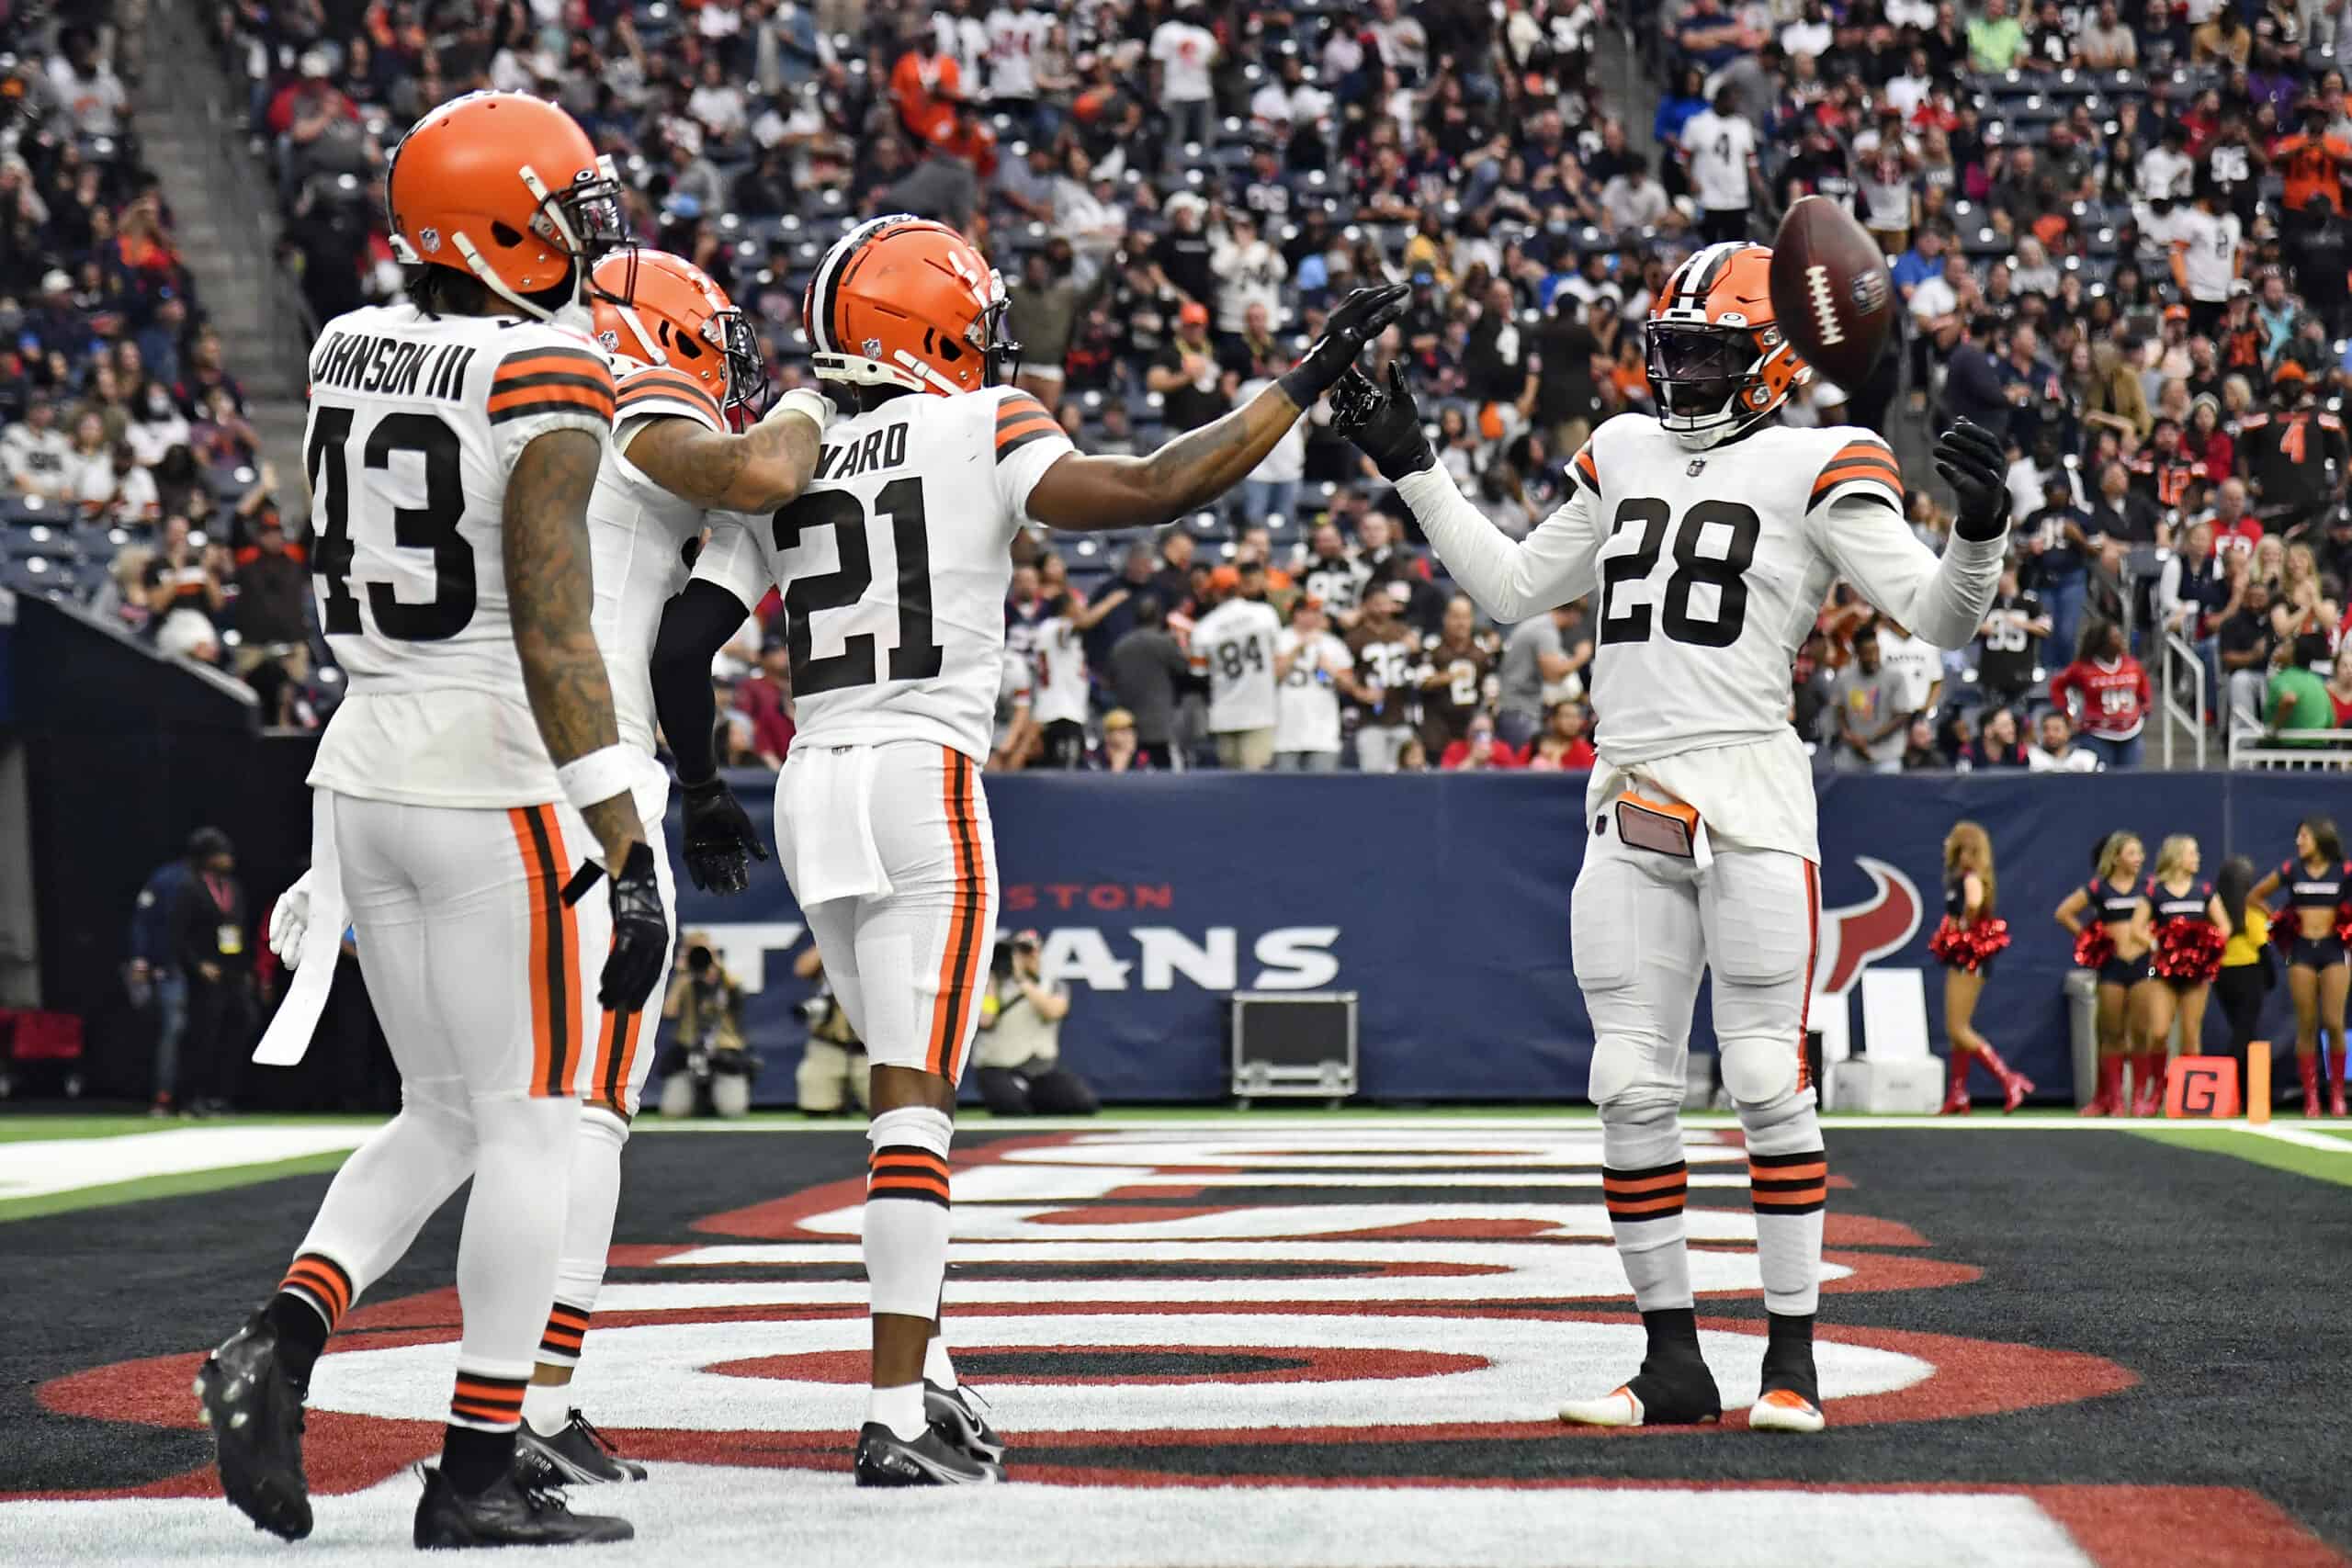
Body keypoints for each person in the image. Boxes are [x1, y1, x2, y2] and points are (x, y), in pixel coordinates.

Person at [648, 211, 1408, 1485]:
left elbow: (681, 648)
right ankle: (893, 1407)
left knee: (898, 1096)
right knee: (916, 1111)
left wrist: (702, 793)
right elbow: (1160, 486)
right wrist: (1301, 384)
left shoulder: (795, 444)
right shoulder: (979, 420)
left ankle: (927, 1372)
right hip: (920, 772)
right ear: (930, 320)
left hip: (807, 777)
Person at [1330, 238, 2012, 1437]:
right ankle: (1671, 1360)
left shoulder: (1821, 459)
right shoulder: (1626, 447)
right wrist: (1414, 467)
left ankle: (1793, 1357)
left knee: (1761, 1073)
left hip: (1749, 789)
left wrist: (1982, 530)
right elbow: (1507, 587)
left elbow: (1937, 613)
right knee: (1627, 1083)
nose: (1686, 377)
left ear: (1769, 364)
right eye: (1675, 352)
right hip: (1630, 787)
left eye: (1711, 356)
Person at [196, 94, 666, 1551]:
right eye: (564, 209)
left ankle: (277, 1339)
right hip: (490, 776)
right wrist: (625, 840)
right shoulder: (546, 364)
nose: (589, 238)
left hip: (361, 765)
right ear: (502, 225)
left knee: (443, 1114)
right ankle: (474, 1468)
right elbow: (553, 627)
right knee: (534, 1123)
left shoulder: (346, 341)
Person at [2250, 818, 2351, 1117]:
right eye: (2298, 836)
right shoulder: (2290, 870)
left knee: (2333, 1022)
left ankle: (2336, 1094)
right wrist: (2279, 920)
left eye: (2304, 836)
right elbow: (2254, 896)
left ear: (2321, 838)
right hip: (2301, 950)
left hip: (2335, 949)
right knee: (2305, 1023)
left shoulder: (2343, 871)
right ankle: (2311, 1098)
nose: (2299, 841)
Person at [2056, 833, 2157, 1117]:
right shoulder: (2098, 888)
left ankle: (2139, 1096)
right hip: (2111, 965)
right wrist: (2089, 939)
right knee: (2112, 1033)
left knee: (2140, 1032)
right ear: (2115, 857)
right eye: (2132, 853)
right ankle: (2114, 1099)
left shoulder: (2148, 888)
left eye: (2140, 853)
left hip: (2144, 965)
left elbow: (2163, 918)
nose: (2139, 858)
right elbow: (2063, 913)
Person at [1929, 822, 2029, 1113]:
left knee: (1958, 1028)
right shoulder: (1963, 876)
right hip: (1964, 956)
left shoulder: (1970, 878)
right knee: (1956, 1029)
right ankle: (1957, 1093)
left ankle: (2009, 1079)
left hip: (1968, 956)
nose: (1948, 846)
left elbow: (1974, 902)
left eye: (1955, 845)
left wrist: (1962, 924)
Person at [168, 828, 253, 1116]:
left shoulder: (233, 888)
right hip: (205, 974)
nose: (227, 858)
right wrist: (198, 965)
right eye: (220, 853)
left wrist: (244, 967)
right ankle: (192, 1096)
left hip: (232, 970)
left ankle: (221, 1094)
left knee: (240, 1023)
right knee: (204, 1034)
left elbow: (238, 930)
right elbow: (178, 935)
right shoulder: (189, 888)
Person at [2140, 835, 2228, 1112]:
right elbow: (2136, 928)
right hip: (2162, 970)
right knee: (2158, 1031)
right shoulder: (2155, 892)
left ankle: (2191, 1097)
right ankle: (2157, 1088)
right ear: (2177, 857)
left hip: (2196, 972)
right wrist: (2157, 945)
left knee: (2191, 1033)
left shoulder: (2204, 890)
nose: (2197, 858)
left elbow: (2224, 926)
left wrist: (2205, 947)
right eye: (2193, 853)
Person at [974, 931, 1098, 1115]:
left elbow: (1053, 1011)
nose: (1023, 957)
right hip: (997, 1067)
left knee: (1083, 1102)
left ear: (1039, 953)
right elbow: (985, 1019)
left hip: (1038, 1069)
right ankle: (1017, 1097)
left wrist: (1022, 980)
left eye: (1028, 950)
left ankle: (1032, 1097)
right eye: (1018, 952)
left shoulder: (1054, 985)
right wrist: (991, 978)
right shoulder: (991, 985)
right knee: (1013, 1107)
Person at [1192, 560, 1284, 770]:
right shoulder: (1264, 613)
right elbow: (1277, 656)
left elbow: (1198, 672)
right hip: (1260, 710)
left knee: (1230, 786)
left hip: (1224, 712)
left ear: (1215, 592)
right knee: (1255, 785)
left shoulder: (1204, 627)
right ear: (1239, 586)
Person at [129, 840, 198, 1116]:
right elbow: (143, 920)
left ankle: (199, 1096)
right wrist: (141, 958)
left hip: (206, 973)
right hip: (172, 969)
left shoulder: (221, 884)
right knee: (174, 1029)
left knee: (202, 1031)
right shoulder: (167, 879)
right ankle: (165, 1095)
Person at [656, 940, 755, 1118]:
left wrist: (717, 968)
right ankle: (697, 1101)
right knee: (673, 1110)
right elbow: (669, 1012)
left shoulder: (727, 982)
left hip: (724, 1052)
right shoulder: (685, 982)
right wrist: (682, 976)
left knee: (733, 1110)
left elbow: (738, 994)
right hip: (687, 1050)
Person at [2048, 618, 2151, 768]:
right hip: (2097, 734)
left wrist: (2145, 708)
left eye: (2120, 636)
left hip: (2131, 732)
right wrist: (2067, 714)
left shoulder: (2132, 665)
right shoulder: (2083, 668)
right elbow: (2057, 685)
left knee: (2130, 781)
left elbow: (2144, 688)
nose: (2121, 641)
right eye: (2114, 638)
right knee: (2102, 782)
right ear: (2101, 642)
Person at [2212, 856, 2276, 1089]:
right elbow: (2262, 944)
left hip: (2222, 976)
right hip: (2250, 974)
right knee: (2244, 1032)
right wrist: (2271, 976)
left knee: (2243, 1033)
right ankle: (2223, 1084)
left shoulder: (2215, 909)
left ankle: (2244, 1093)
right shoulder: (2252, 909)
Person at [1347, 581, 1422, 773]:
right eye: (1377, 603)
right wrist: (1359, 691)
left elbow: (1420, 665)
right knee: (1374, 780)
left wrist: (1416, 647)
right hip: (1370, 720)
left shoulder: (1402, 631)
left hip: (1401, 716)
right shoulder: (1355, 637)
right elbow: (1339, 674)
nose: (1383, 608)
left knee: (1408, 778)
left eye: (1386, 603)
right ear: (1365, 605)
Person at [1273, 595, 1351, 771]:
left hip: (1323, 734)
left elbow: (1349, 686)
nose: (1312, 617)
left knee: (1322, 793)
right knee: (1282, 793)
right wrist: (1298, 649)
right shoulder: (1280, 639)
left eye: (1316, 612)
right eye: (1306, 612)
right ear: (1295, 614)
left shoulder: (1333, 644)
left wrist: (1332, 670)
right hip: (1285, 733)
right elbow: (1273, 676)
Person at [793, 942, 869, 1115]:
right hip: (828, 1045)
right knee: (816, 1109)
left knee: (889, 1111)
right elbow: (802, 969)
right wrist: (835, 936)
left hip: (872, 1048)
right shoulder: (830, 942)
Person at [1829, 627, 1910, 773]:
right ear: (1857, 653)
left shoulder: (1895, 676)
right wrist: (1849, 736)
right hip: (1852, 757)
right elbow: (1838, 711)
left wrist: (1868, 740)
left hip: (1886, 757)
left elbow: (1902, 716)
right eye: (1867, 652)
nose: (1873, 657)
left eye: (1876, 651)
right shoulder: (1844, 677)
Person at [1028, 592, 1091, 769]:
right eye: (1077, 604)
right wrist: (1113, 600)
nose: (1082, 609)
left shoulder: (1045, 628)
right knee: (1065, 775)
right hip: (1062, 712)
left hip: (1054, 710)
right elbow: (1085, 623)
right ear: (1067, 607)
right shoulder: (1056, 626)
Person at [2026, 709, 2100, 773]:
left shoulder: (2085, 758)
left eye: (2056, 729)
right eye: (2046, 729)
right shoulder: (2033, 757)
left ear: (2068, 731)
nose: (2051, 734)